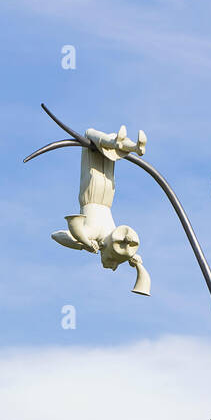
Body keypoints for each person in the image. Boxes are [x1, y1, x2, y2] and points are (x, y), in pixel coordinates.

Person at [51, 126, 151, 295]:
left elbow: (58, 235)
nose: (105, 262)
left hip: (103, 193)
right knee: (94, 138)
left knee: (102, 145)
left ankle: (129, 145)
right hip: (95, 192)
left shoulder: (94, 235)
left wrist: (84, 244)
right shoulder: (100, 234)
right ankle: (131, 146)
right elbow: (57, 235)